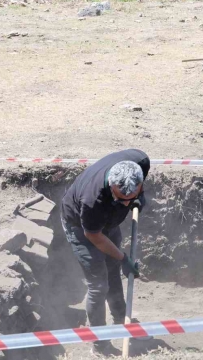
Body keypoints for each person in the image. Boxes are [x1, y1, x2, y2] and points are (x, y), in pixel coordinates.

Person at [60, 149, 150, 356]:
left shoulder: (140, 161)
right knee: (99, 285)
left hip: (107, 221)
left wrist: (139, 198)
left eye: (131, 198)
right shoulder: (93, 200)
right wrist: (123, 257)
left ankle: (122, 321)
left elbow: (131, 194)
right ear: (111, 186)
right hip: (81, 228)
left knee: (112, 270)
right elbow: (94, 236)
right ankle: (100, 345)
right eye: (121, 199)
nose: (127, 204)